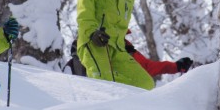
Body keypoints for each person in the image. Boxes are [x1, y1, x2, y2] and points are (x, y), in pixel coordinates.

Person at [75, 0, 154, 90]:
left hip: (117, 49)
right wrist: (92, 32)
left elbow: (120, 26)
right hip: (95, 43)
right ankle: (88, 83)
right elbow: (84, 12)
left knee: (146, 84)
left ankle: (124, 105)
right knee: (106, 83)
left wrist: (123, 43)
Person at [63, 34, 194, 79]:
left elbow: (146, 67)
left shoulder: (125, 45)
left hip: (123, 95)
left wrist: (175, 66)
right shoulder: (94, 38)